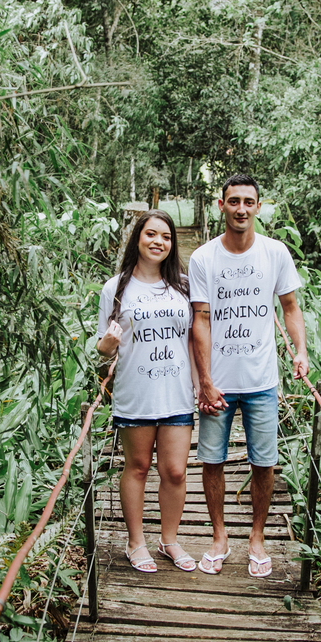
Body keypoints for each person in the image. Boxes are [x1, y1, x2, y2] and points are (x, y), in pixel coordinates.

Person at [188, 174, 308, 578]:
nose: (241, 208)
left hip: (262, 381)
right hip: (218, 383)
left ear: (258, 206)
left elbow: (289, 306)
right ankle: (219, 537)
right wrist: (204, 380)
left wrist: (301, 351)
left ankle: (257, 538)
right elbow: (201, 320)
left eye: (248, 202)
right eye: (234, 201)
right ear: (221, 205)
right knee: (211, 460)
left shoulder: (275, 253)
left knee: (264, 462)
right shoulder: (203, 258)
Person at [96, 210, 198, 573]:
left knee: (175, 471)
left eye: (166, 237)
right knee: (137, 467)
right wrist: (107, 344)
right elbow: (103, 347)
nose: (159, 241)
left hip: (177, 393)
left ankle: (169, 540)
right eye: (151, 234)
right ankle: (135, 542)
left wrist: (201, 385)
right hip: (136, 392)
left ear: (173, 244)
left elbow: (193, 340)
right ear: (137, 239)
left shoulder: (184, 287)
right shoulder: (116, 288)